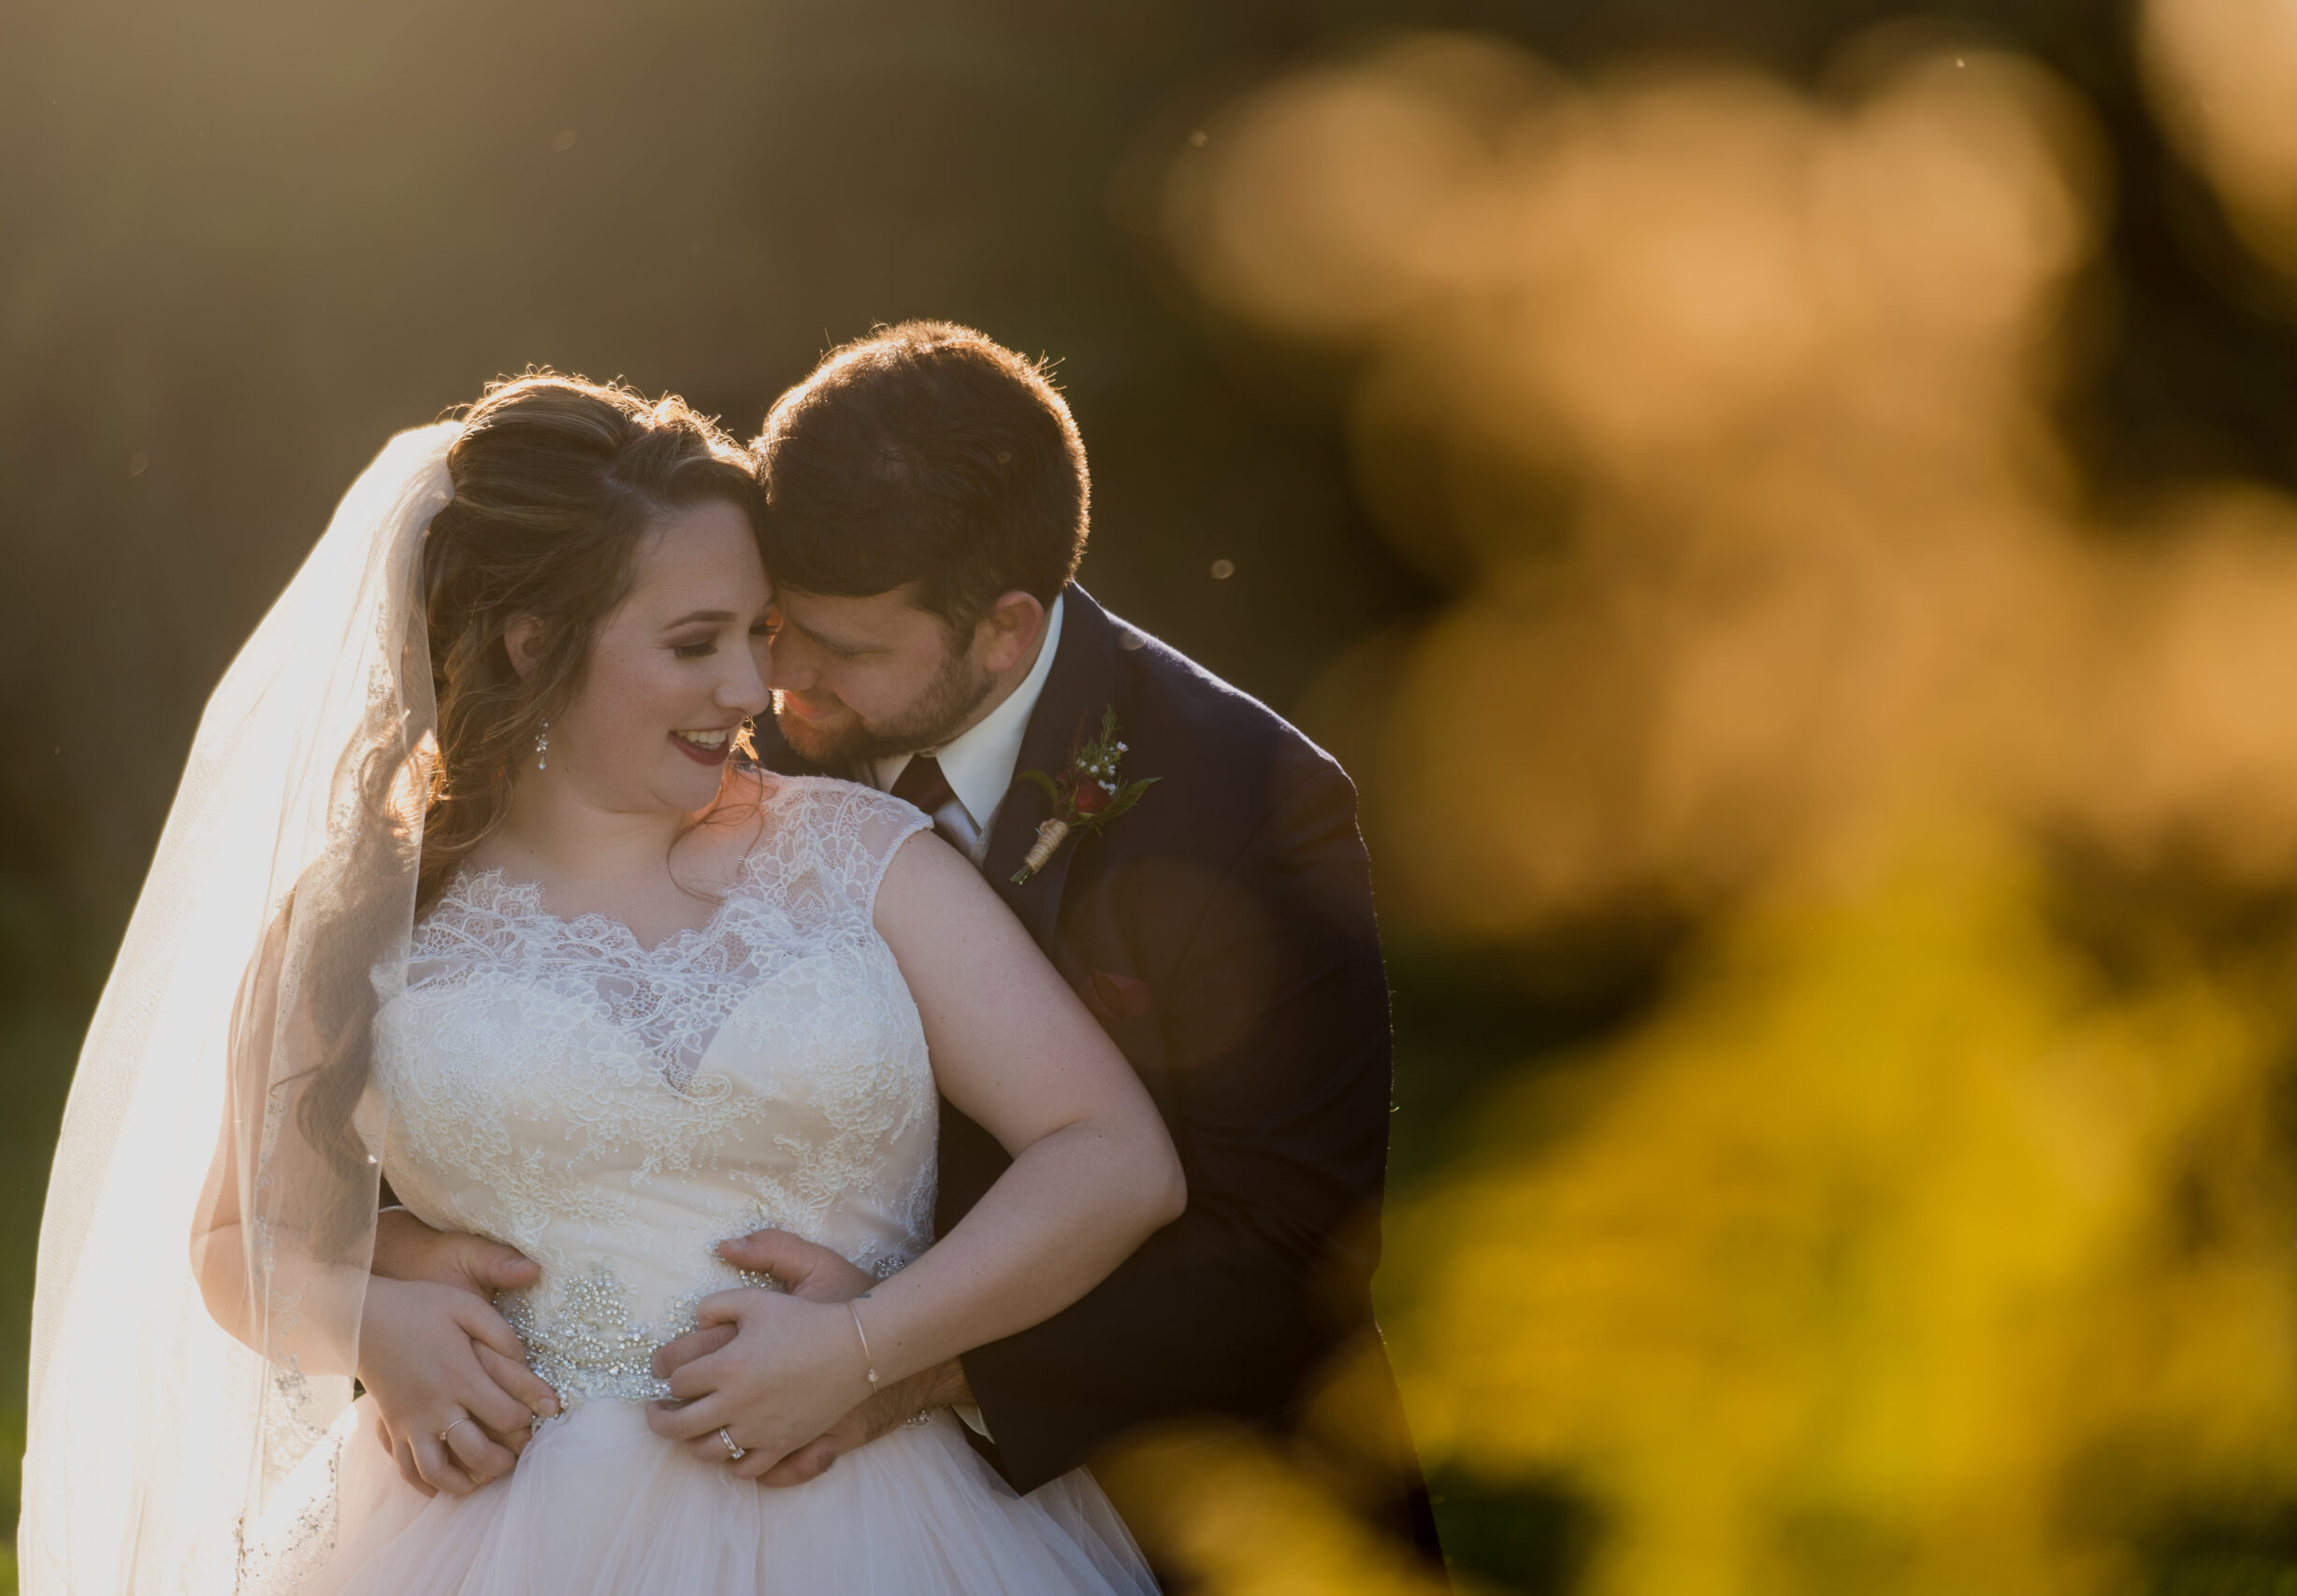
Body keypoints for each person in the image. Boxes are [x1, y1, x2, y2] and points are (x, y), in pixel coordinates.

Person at [21, 373, 1183, 1596]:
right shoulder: (358, 912)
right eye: (695, 644)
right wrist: (368, 1321)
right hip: (494, 1538)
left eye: (759, 633)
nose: (750, 690)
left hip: (873, 1518)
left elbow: (1111, 1154)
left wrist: (867, 1349)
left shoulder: (858, 857)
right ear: (536, 645)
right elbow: (231, 1238)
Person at [687, 322, 1446, 1576]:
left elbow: (1284, 1252)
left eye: (848, 650)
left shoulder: (1251, 802)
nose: (781, 685)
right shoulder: (722, 744)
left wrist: (907, 1366)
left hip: (1192, 1509)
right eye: (776, 624)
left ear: (1003, 628)